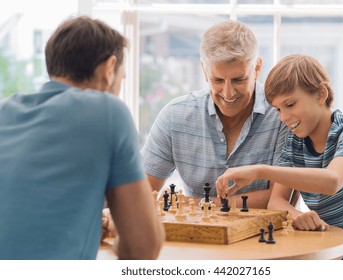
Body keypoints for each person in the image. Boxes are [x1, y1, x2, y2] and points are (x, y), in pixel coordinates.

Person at [0, 16, 165, 260]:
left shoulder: (5, 110)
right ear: (109, 69)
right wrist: (118, 230)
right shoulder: (107, 110)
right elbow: (143, 249)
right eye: (122, 78)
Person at [215, 54, 343, 259]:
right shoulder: (294, 143)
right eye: (278, 109)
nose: (283, 117)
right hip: (339, 251)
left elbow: (333, 181)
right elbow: (276, 201)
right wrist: (296, 215)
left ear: (321, 94)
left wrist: (259, 170)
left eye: (290, 105)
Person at [141, 20, 288, 208]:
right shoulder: (174, 117)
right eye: (217, 80)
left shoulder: (282, 115)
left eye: (239, 79)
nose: (228, 93)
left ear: (257, 68)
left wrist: (194, 204)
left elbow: (282, 199)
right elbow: (141, 192)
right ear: (204, 70)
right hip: (197, 237)